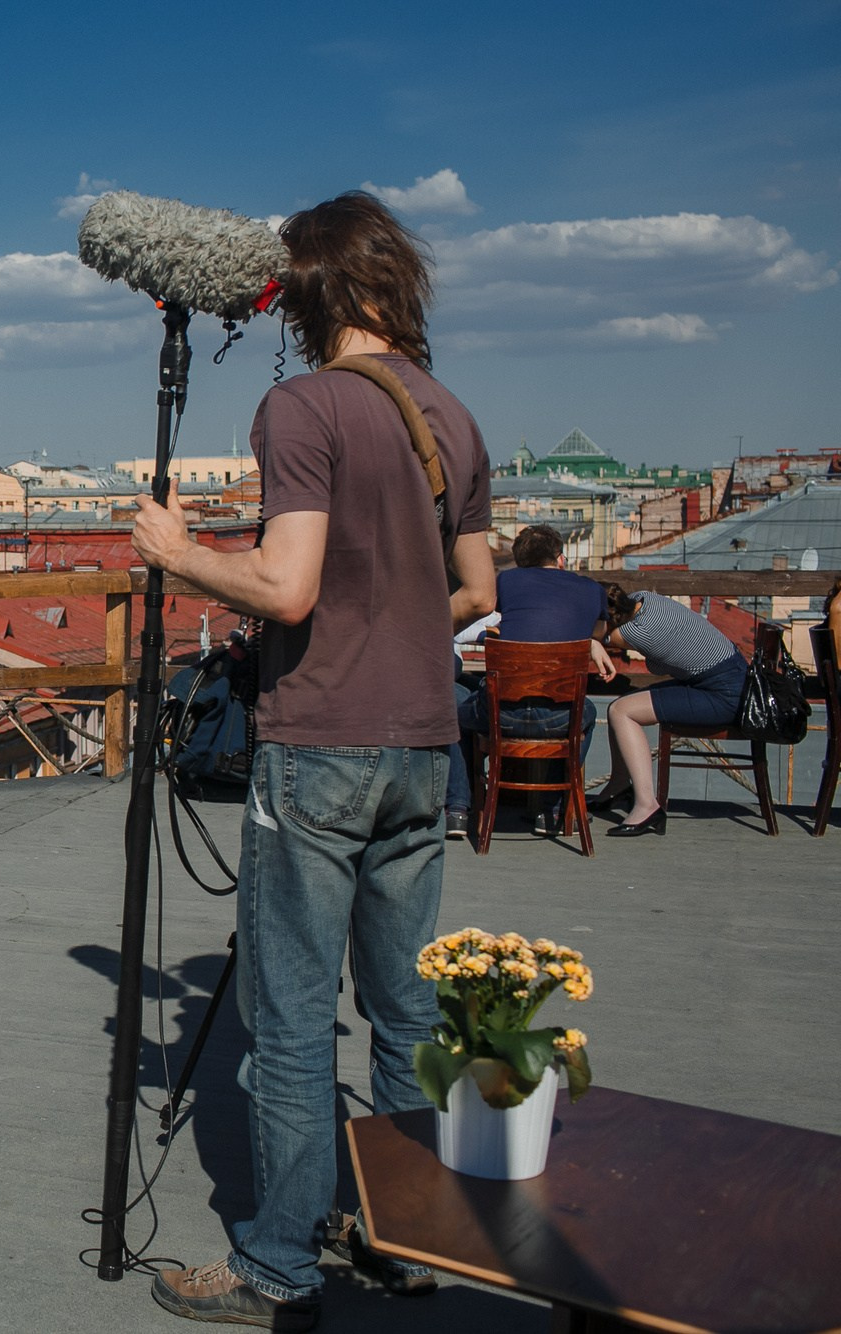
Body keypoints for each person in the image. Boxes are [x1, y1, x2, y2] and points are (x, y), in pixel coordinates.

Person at [130, 192, 496, 1329]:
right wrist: (388, 624)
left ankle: (277, 1263)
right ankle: (406, 1240)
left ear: (306, 293)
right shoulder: (451, 416)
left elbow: (285, 588)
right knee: (405, 1011)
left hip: (323, 742)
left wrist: (179, 552)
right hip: (423, 745)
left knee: (291, 1024)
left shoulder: (302, 406)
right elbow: (476, 591)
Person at [444, 524, 617, 839]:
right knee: (587, 714)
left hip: (500, 715)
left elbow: (500, 617)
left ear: (519, 561)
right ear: (560, 558)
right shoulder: (592, 590)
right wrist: (591, 643)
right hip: (559, 719)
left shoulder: (507, 581)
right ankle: (553, 809)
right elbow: (597, 632)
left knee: (453, 711)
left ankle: (457, 809)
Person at [588, 582, 747, 837]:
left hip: (724, 695)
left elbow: (595, 637)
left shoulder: (638, 633)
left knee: (622, 711)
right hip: (730, 677)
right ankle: (619, 786)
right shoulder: (644, 599)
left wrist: (592, 641)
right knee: (621, 705)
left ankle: (647, 806)